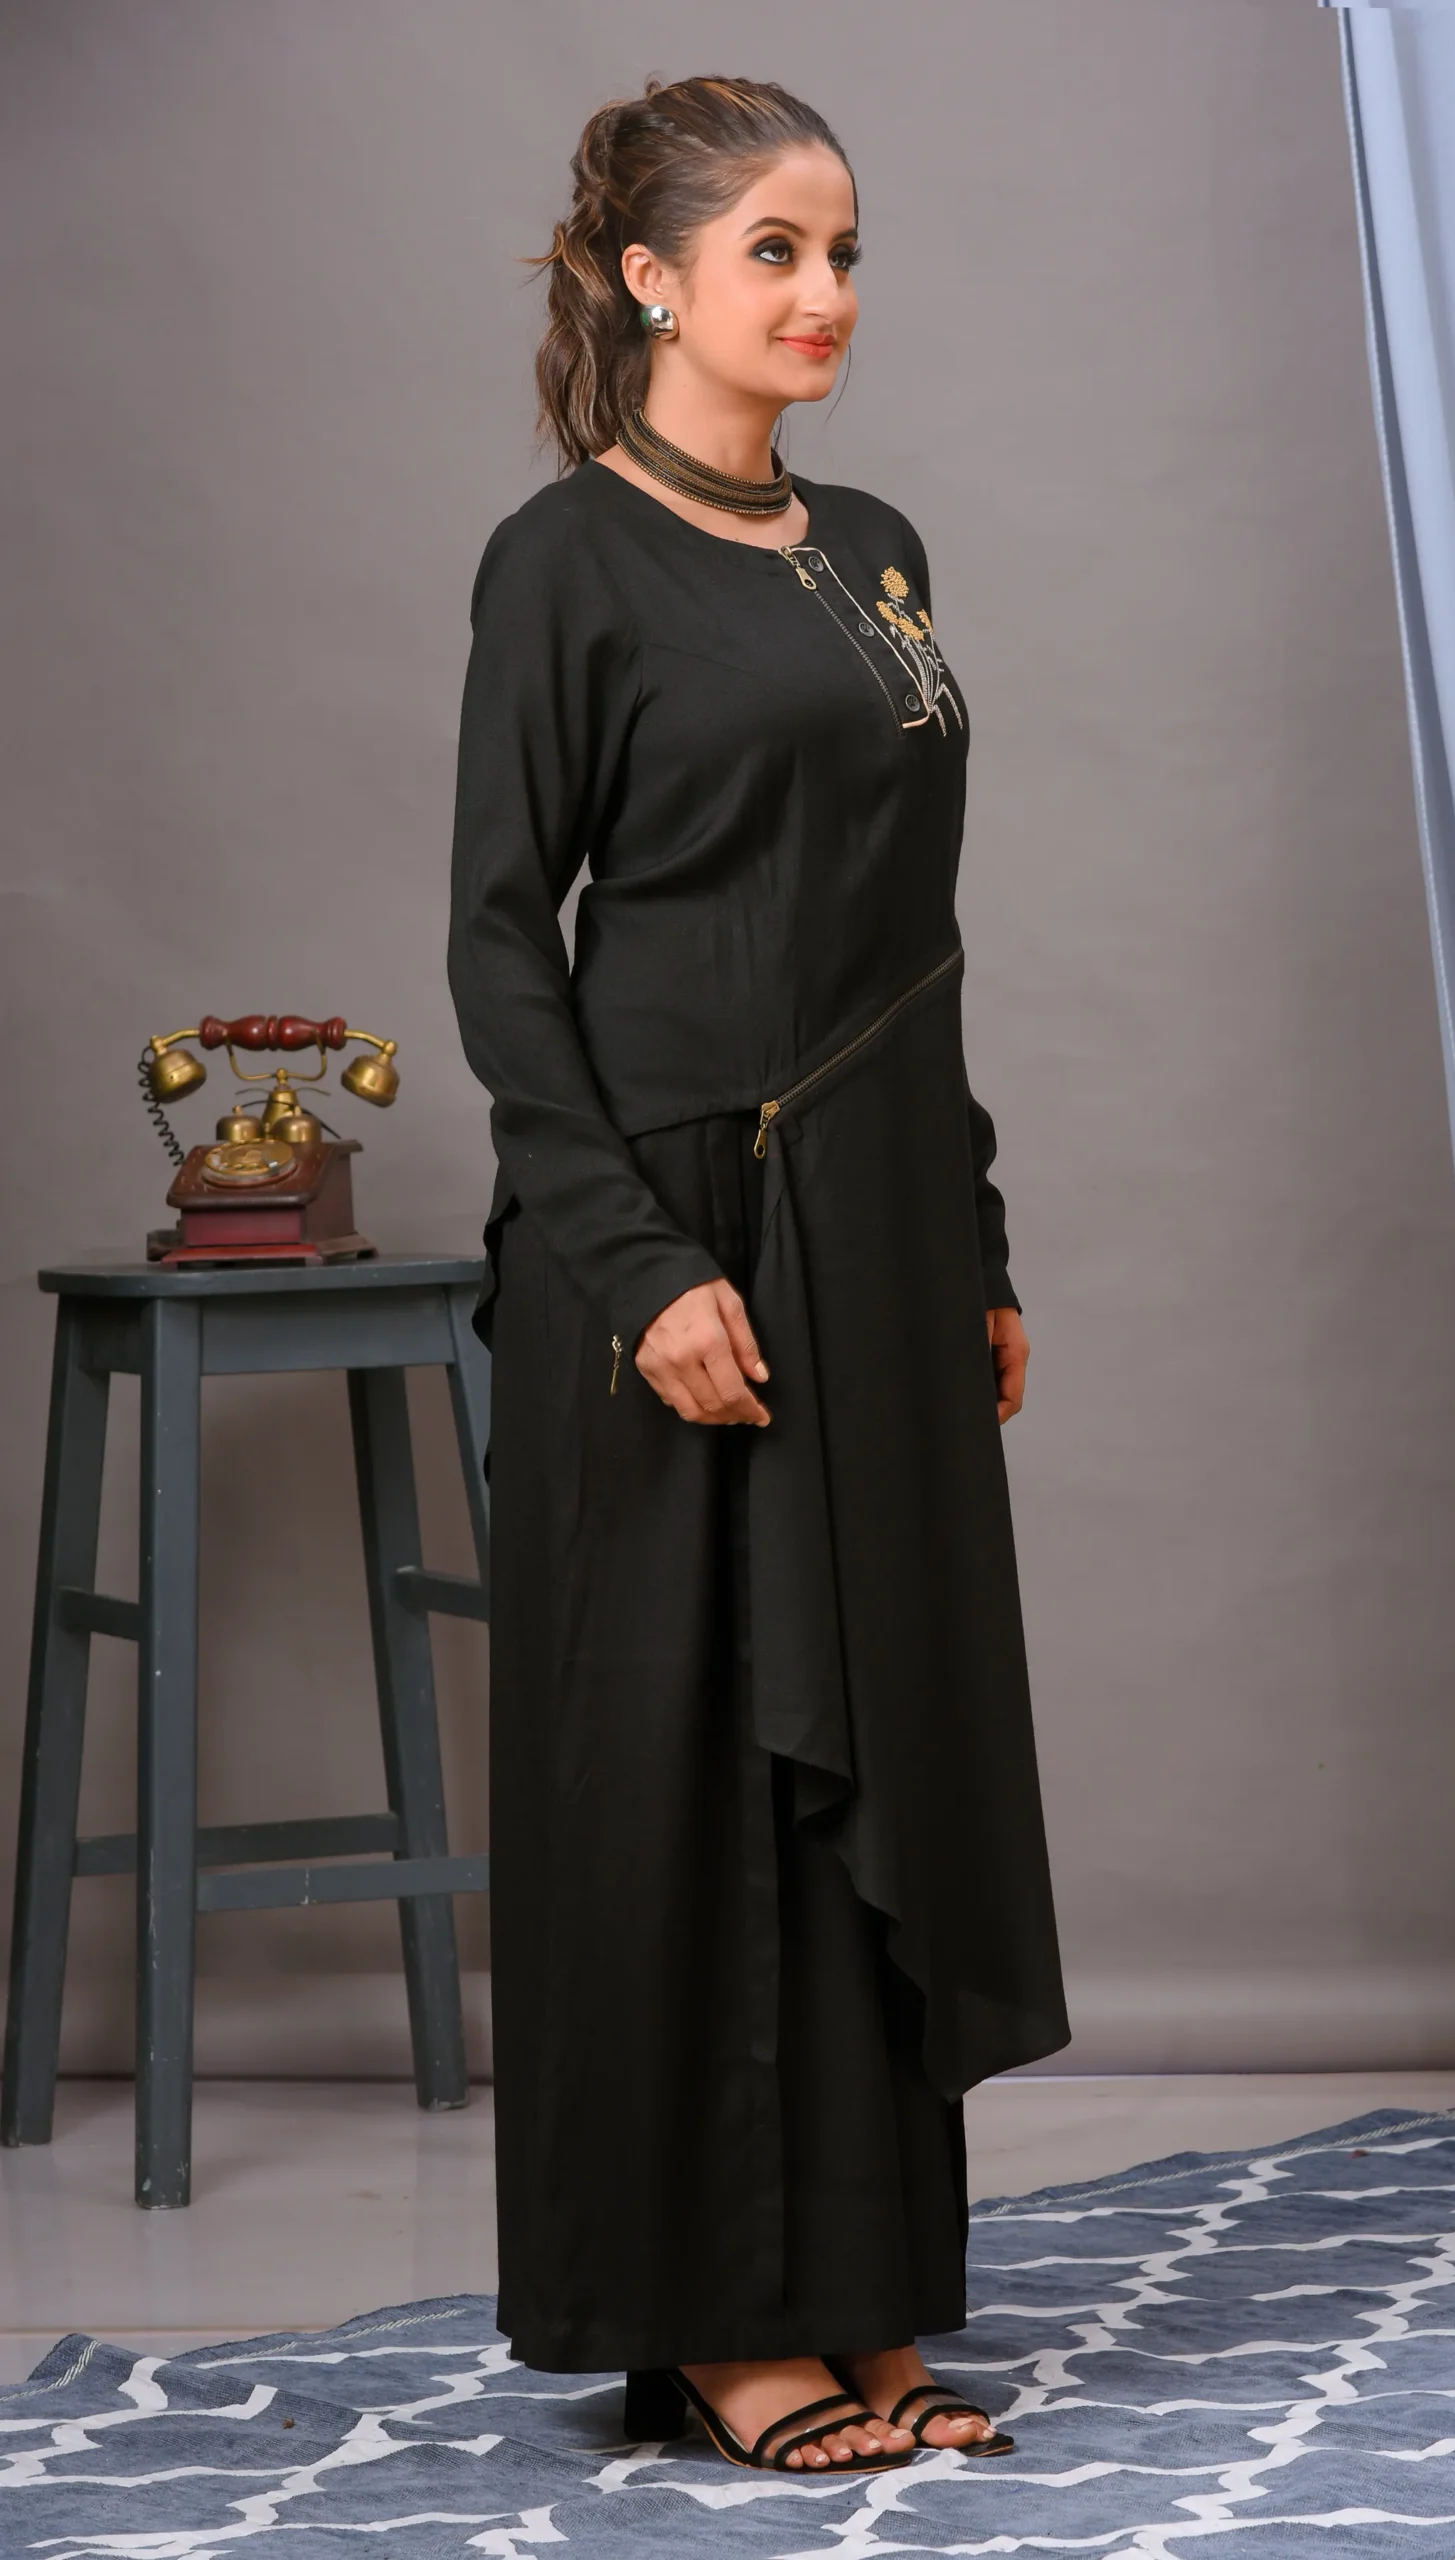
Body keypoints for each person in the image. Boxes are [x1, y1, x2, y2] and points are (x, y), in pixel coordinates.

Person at [447, 72, 1069, 2478]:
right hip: (675, 1230)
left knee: (863, 1746)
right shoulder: (563, 562)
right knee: (691, 1772)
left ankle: (862, 2287)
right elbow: (503, 950)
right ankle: (711, 2317)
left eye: (846, 253)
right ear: (650, 279)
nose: (826, 297)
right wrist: (627, 1264)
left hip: (877, 1230)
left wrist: (968, 1229)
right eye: (777, 252)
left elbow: (909, 936)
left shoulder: (875, 546)